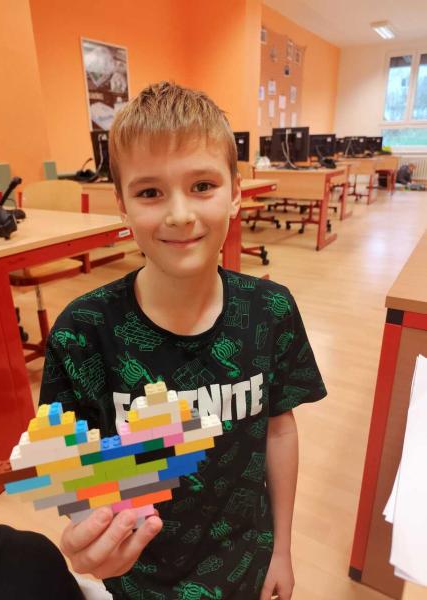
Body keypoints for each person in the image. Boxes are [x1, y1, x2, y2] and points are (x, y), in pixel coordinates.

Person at [38, 81, 327, 599]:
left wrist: (282, 550)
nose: (179, 214)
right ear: (122, 206)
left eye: (202, 185)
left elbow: (279, 431)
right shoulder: (82, 333)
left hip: (247, 562)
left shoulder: (271, 311)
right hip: (142, 580)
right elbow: (73, 470)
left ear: (235, 193)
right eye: (150, 192)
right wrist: (90, 536)